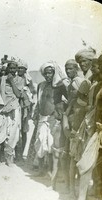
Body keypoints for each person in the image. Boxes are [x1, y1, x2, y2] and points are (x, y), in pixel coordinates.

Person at [71, 52, 102, 200]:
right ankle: (81, 199)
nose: (98, 67)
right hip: (97, 131)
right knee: (86, 165)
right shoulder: (101, 83)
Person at [33, 61, 68, 190]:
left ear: (54, 73)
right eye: (46, 73)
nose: (48, 75)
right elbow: (39, 101)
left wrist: (59, 112)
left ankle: (52, 173)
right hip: (42, 118)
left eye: (50, 72)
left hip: (53, 119)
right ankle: (41, 170)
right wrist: (36, 114)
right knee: (40, 143)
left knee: (52, 146)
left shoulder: (59, 86)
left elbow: (69, 99)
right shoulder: (40, 86)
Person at [63, 79, 90, 199]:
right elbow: (65, 115)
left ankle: (80, 191)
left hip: (85, 136)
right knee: (73, 163)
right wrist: (66, 129)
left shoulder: (91, 102)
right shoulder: (74, 102)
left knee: (82, 164)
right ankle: (70, 189)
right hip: (74, 135)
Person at [0, 60, 23, 166]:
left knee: (12, 136)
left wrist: (12, 81)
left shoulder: (20, 79)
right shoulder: (2, 79)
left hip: (14, 109)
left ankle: (9, 159)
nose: (12, 70)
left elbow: (19, 94)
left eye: (14, 68)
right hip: (2, 109)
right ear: (7, 68)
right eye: (10, 68)